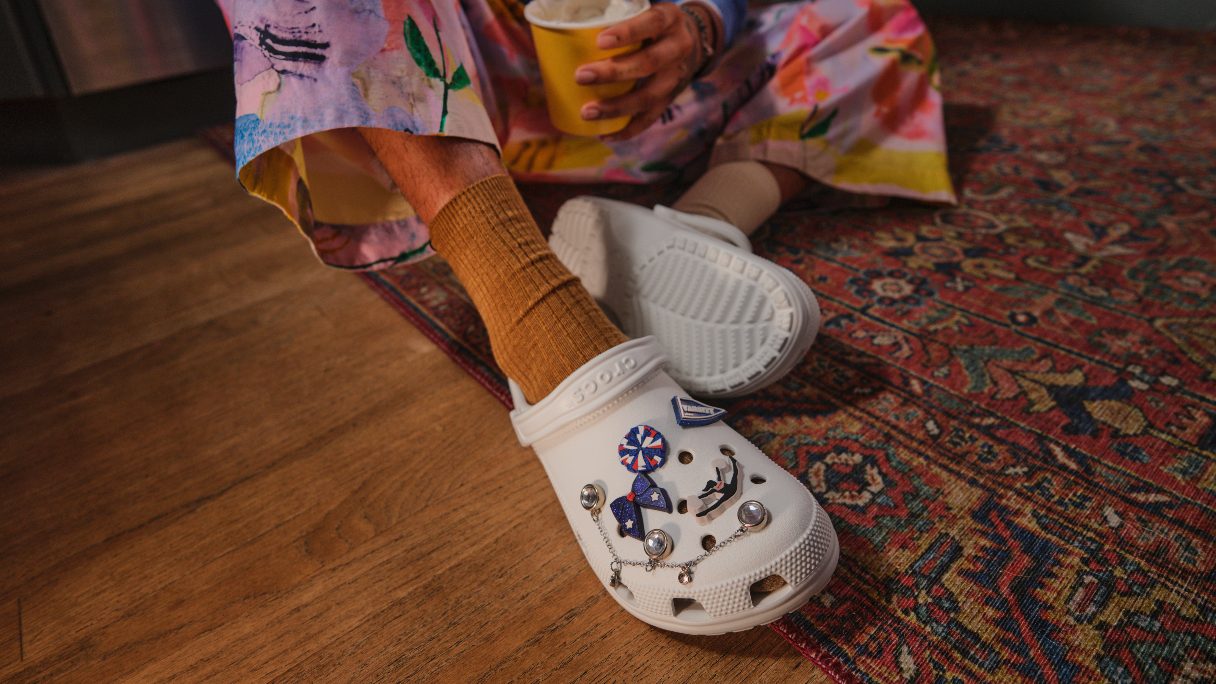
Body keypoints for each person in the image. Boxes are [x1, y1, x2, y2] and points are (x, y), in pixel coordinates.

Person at [218, 0, 953, 634]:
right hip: (462, 91)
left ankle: (699, 222)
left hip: (651, 94)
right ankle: (533, 310)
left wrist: (701, 24)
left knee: (874, 16)